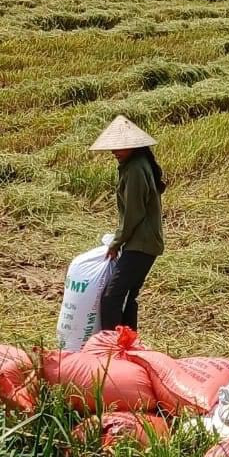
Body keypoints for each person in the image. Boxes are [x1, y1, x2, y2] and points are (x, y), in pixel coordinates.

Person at [90, 115, 166, 331]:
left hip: (140, 244)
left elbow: (134, 213)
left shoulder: (134, 169)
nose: (114, 151)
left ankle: (110, 347)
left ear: (133, 146)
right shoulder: (138, 164)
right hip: (145, 243)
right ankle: (129, 344)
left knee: (112, 297)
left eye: (119, 147)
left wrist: (116, 242)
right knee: (128, 297)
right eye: (112, 147)